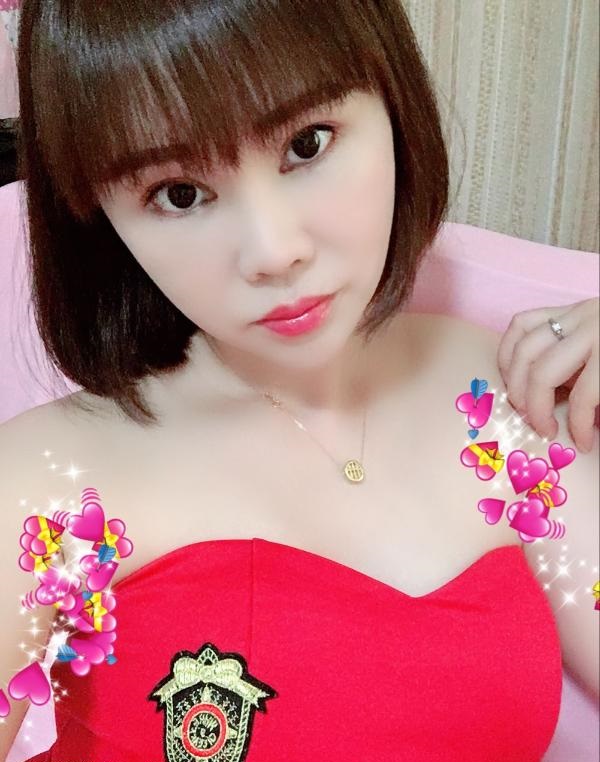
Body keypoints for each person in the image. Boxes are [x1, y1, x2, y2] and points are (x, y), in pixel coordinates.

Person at [0, 1, 597, 760]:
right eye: (179, 193)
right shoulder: (44, 485)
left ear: (392, 100)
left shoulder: (496, 393)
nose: (273, 251)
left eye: (306, 144)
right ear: (99, 214)